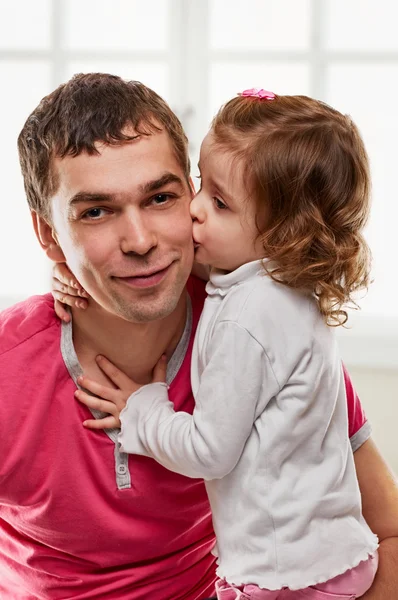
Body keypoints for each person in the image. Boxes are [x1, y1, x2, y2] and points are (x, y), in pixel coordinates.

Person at [0, 74, 396, 599]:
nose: (140, 241)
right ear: (49, 234)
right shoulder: (10, 371)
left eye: (161, 197)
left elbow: (388, 532)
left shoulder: (263, 330)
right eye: (96, 211)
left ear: (193, 195)